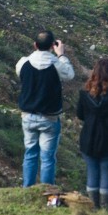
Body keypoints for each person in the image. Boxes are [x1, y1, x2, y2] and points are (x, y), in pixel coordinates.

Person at [16, 30, 75, 187]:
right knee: (47, 157)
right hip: (49, 118)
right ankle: (47, 192)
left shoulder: (23, 62)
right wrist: (61, 54)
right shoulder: (57, 64)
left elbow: (21, 74)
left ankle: (27, 190)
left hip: (28, 115)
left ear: (35, 45)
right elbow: (70, 75)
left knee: (30, 154)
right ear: (52, 46)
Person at [77, 58, 108, 211]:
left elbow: (80, 115)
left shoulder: (84, 94)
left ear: (94, 73)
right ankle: (106, 210)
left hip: (89, 139)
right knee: (107, 174)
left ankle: (93, 207)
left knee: (92, 172)